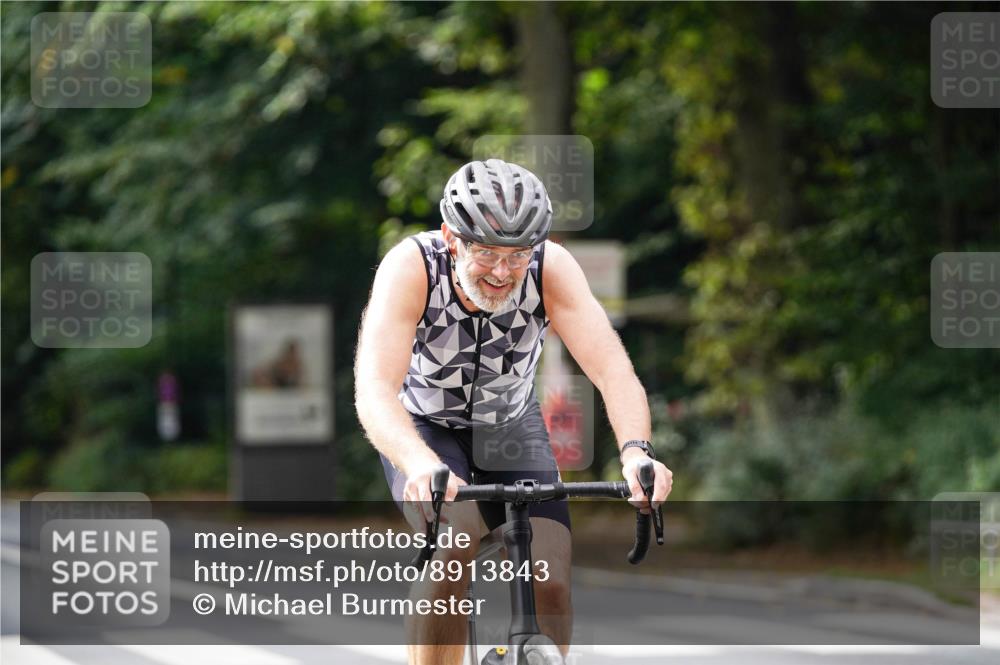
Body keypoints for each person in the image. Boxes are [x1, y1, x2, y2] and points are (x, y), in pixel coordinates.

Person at [355, 158, 672, 665]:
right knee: (453, 548)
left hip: (511, 425)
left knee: (551, 580)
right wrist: (417, 464)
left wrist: (636, 452)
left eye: (517, 255)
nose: (503, 272)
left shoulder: (551, 268)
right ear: (451, 237)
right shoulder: (411, 266)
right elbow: (374, 388)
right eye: (485, 253)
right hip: (424, 428)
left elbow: (613, 368)